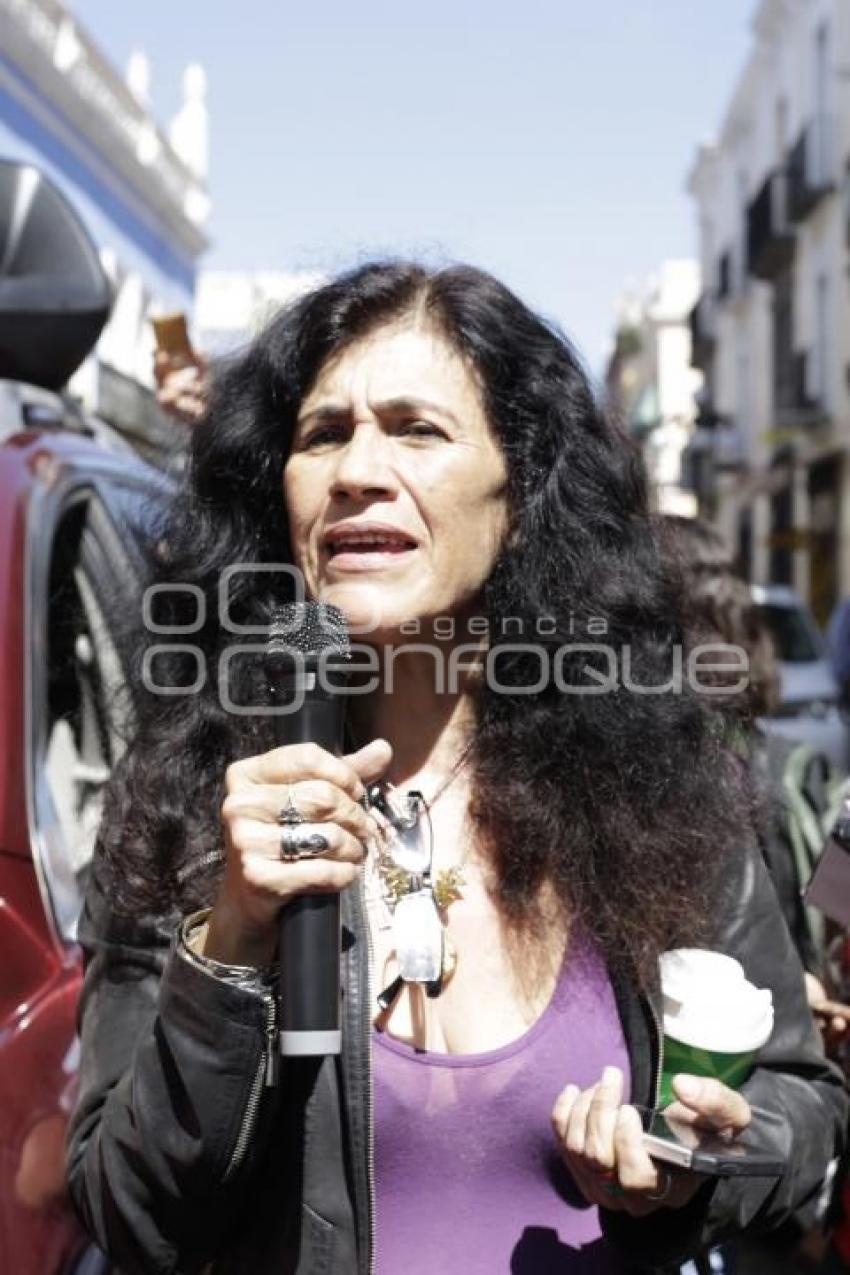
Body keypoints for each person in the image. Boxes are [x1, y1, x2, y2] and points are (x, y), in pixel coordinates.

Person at [67, 262, 846, 1275]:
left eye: (416, 429)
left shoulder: (662, 788)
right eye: (322, 434)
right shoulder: (194, 801)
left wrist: (697, 1165)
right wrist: (229, 945)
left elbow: (803, 1103)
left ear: (518, 495)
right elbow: (128, 1216)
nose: (356, 468)